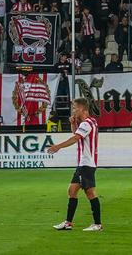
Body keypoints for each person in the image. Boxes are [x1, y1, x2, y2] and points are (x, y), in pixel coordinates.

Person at [47, 97, 103, 232]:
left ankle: (97, 224)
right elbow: (78, 135)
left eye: (75, 108)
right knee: (72, 191)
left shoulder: (86, 124)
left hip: (86, 164)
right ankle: (68, 223)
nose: (73, 111)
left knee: (90, 193)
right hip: (84, 164)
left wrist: (58, 146)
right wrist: (73, 124)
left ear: (82, 109)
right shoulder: (91, 122)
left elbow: (76, 138)